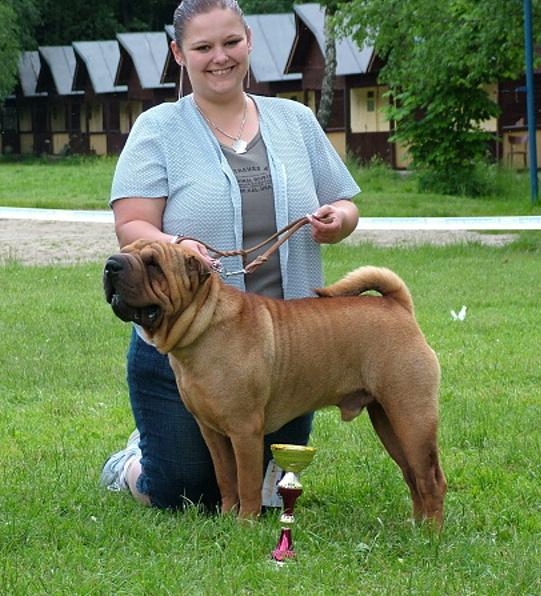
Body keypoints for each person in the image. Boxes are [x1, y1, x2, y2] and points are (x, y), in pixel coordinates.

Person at [100, 0, 360, 512]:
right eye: (203, 47)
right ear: (179, 53)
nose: (219, 57)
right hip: (189, 343)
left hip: (286, 349)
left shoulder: (296, 120)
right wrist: (178, 246)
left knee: (265, 498)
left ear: (248, 42)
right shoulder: (157, 129)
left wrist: (339, 221)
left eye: (230, 43)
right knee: (181, 493)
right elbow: (131, 226)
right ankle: (130, 461)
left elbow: (344, 201)